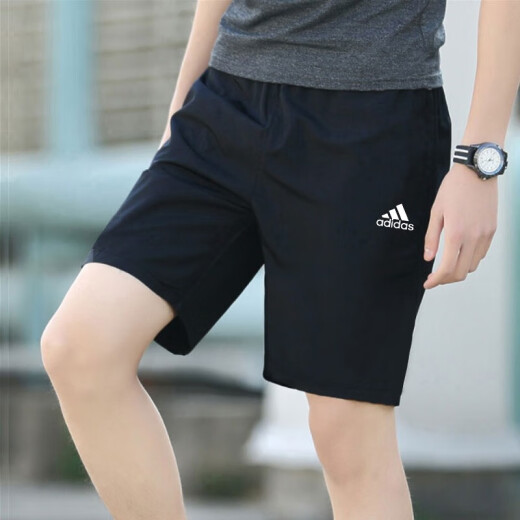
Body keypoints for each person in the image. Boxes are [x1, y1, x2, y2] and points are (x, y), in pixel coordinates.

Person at [40, 1, 519, 519]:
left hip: (370, 121)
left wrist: (480, 162)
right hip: (224, 100)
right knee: (82, 347)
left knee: (347, 429)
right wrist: (182, 105)